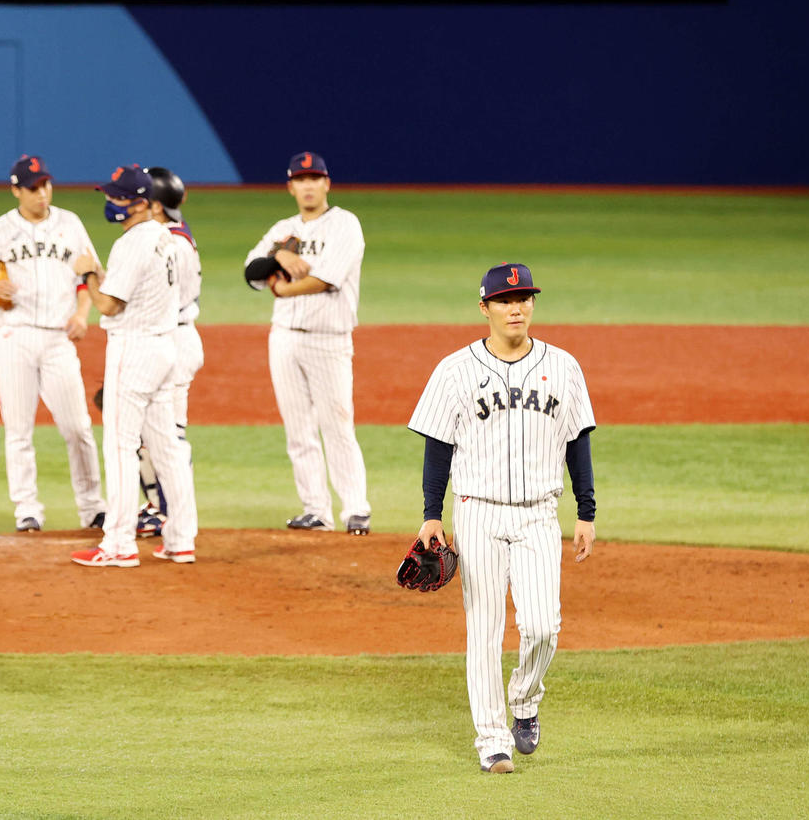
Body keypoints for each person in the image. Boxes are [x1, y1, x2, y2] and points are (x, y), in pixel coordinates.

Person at [407, 263, 597, 774]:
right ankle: (492, 740)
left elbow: (578, 440)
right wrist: (431, 515)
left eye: (525, 298)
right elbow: (437, 445)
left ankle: (526, 700)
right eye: (506, 300)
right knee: (484, 631)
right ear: (485, 307)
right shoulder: (454, 370)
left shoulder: (564, 367)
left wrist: (586, 510)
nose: (517, 308)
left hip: (539, 513)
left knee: (542, 628)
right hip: (476, 513)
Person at [0, 155, 105, 532]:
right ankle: (27, 510)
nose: (43, 193)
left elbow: (91, 272)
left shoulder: (70, 224)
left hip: (59, 338)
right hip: (14, 335)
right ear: (16, 191)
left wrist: (82, 314)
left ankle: (93, 508)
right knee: (19, 429)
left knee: (78, 428)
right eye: (33, 188)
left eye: (46, 185)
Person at [69, 165, 197, 567]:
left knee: (121, 446)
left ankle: (118, 544)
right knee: (168, 449)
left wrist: (88, 272)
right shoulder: (166, 238)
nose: (110, 202)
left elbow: (110, 305)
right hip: (164, 350)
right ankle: (180, 540)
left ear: (140, 203)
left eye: (117, 197)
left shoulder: (132, 243)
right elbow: (133, 290)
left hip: (135, 350)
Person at [243, 152, 371, 534]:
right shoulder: (282, 229)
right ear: (291, 186)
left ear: (327, 184)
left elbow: (326, 279)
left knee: (337, 424)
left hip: (328, 339)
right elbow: (251, 270)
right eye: (301, 179)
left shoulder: (345, 224)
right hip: (283, 339)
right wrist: (279, 253)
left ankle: (355, 509)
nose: (309, 185)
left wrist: (281, 288)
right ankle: (316, 509)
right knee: (298, 429)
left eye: (316, 178)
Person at [134, 166, 203, 537]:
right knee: (148, 436)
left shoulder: (170, 244)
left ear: (157, 206)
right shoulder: (173, 232)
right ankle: (159, 509)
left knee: (169, 437)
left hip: (171, 340)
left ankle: (174, 516)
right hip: (169, 338)